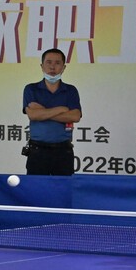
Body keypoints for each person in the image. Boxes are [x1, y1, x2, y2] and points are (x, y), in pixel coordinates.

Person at [23, 48, 82, 176]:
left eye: (57, 63)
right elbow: (33, 115)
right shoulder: (31, 89)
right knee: (36, 187)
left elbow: (75, 116)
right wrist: (61, 109)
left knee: (63, 187)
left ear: (63, 67)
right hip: (37, 150)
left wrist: (43, 112)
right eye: (48, 62)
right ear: (42, 66)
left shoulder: (70, 90)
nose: (52, 67)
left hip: (63, 151)